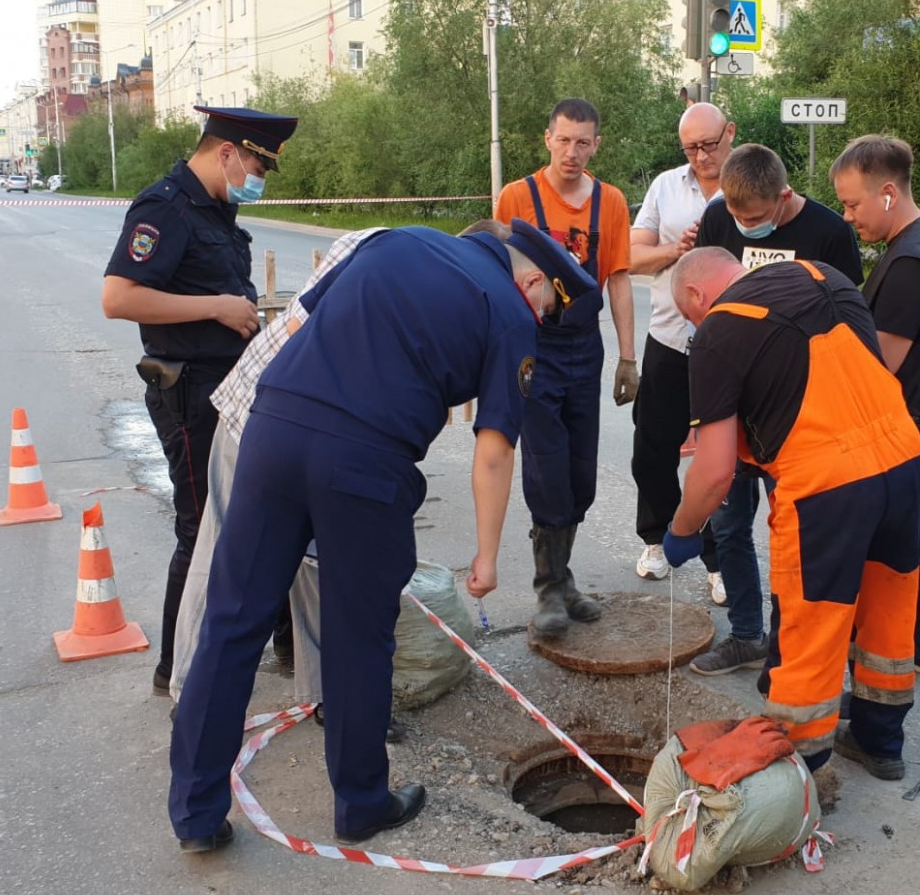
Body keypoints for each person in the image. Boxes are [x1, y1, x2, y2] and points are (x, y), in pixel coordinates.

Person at [168, 220, 598, 852]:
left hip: (271, 431)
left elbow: (299, 319)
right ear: (533, 279)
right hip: (363, 466)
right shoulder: (510, 313)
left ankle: (195, 817)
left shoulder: (394, 240)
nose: (541, 316)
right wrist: (485, 554)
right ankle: (361, 802)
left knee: (232, 624)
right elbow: (494, 451)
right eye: (547, 305)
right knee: (358, 636)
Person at [662, 247, 920, 780]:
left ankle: (797, 775)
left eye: (691, 316)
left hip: (827, 489)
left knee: (812, 631)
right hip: (903, 459)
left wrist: (682, 529)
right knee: (888, 609)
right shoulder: (821, 275)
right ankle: (881, 743)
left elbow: (713, 474)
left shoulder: (717, 330)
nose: (697, 325)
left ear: (695, 295)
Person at [101, 106, 298, 697]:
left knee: (267, 510)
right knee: (202, 527)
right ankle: (176, 668)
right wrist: (214, 306)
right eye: (259, 163)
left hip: (233, 387)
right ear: (227, 152)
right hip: (187, 393)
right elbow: (118, 298)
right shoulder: (164, 207)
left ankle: (287, 642)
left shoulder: (218, 206)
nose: (259, 176)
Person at [167, 227, 389, 709]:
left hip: (311, 420)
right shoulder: (389, 263)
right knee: (223, 553)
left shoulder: (384, 248)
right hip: (257, 407)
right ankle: (191, 691)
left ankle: (324, 698)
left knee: (317, 561)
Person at [688, 144, 864, 677]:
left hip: (795, 413)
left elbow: (850, 321)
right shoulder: (720, 215)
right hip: (731, 402)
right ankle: (746, 635)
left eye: (758, 220)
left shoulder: (830, 233)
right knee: (728, 521)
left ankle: (790, 647)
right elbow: (705, 309)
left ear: (785, 197)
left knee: (791, 532)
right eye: (738, 219)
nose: (746, 228)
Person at [495, 98, 637, 639]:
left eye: (583, 142)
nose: (572, 152)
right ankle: (548, 591)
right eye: (563, 140)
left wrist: (628, 355)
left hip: (585, 349)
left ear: (596, 144)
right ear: (547, 138)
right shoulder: (518, 198)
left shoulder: (612, 202)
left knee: (581, 474)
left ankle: (565, 577)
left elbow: (619, 279)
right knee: (546, 469)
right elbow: (498, 273)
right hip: (535, 348)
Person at [831, 134, 920, 678]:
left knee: (904, 544)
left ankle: (917, 654)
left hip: (908, 424)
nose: (847, 217)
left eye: (854, 204)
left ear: (888, 193)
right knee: (919, 534)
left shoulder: (911, 261)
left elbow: (878, 366)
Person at [628, 103, 735, 604]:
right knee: (652, 448)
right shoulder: (666, 187)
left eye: (709, 145)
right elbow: (630, 256)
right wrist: (678, 251)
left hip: (732, 346)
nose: (700, 156)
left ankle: (720, 560)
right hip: (670, 338)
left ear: (729, 134)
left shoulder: (751, 180)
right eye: (690, 148)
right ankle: (659, 537)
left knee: (724, 458)